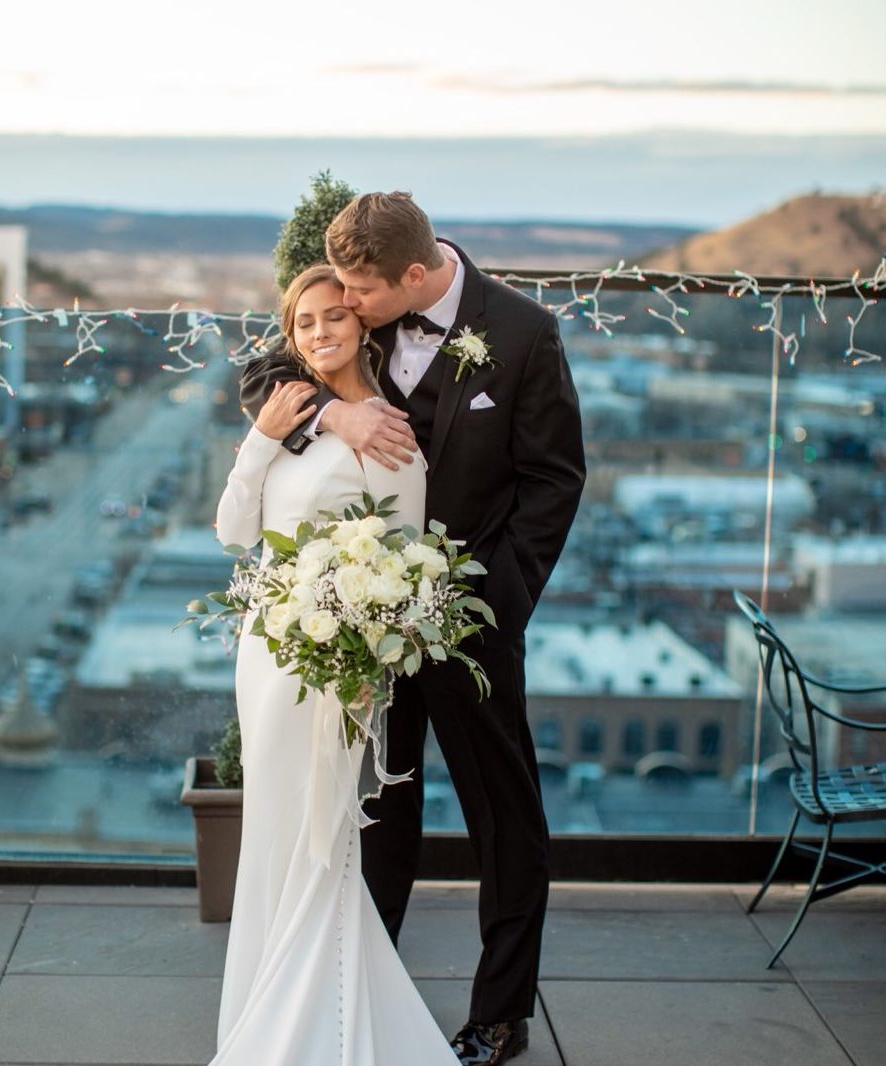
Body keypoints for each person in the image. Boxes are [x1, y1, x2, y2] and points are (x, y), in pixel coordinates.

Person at [241, 192, 585, 1066]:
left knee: (502, 818)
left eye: (361, 291)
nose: (345, 306)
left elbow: (553, 481)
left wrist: (491, 610)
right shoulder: (355, 305)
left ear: (417, 276)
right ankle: (360, 1001)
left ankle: (500, 1015)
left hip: (470, 622)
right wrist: (331, 413)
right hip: (363, 626)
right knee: (376, 811)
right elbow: (262, 377)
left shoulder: (523, 333)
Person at [211, 264, 459, 1065]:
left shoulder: (387, 431)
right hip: (266, 654)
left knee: (318, 835)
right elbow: (232, 531)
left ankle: (319, 1024)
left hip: (336, 668)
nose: (320, 334)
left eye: (333, 318)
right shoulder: (288, 411)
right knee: (270, 835)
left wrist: (364, 654)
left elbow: (407, 561)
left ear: (360, 324)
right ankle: (262, 1008)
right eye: (303, 324)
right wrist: (262, 439)